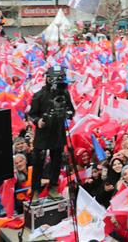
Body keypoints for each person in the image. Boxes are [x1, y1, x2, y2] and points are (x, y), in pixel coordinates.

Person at [28, 65, 75, 202]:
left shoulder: (65, 93)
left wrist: (68, 114)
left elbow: (72, 110)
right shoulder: (39, 96)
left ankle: (53, 187)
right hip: (43, 134)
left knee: (56, 162)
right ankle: (35, 190)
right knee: (38, 163)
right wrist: (38, 121)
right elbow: (32, 115)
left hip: (58, 132)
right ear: (48, 78)